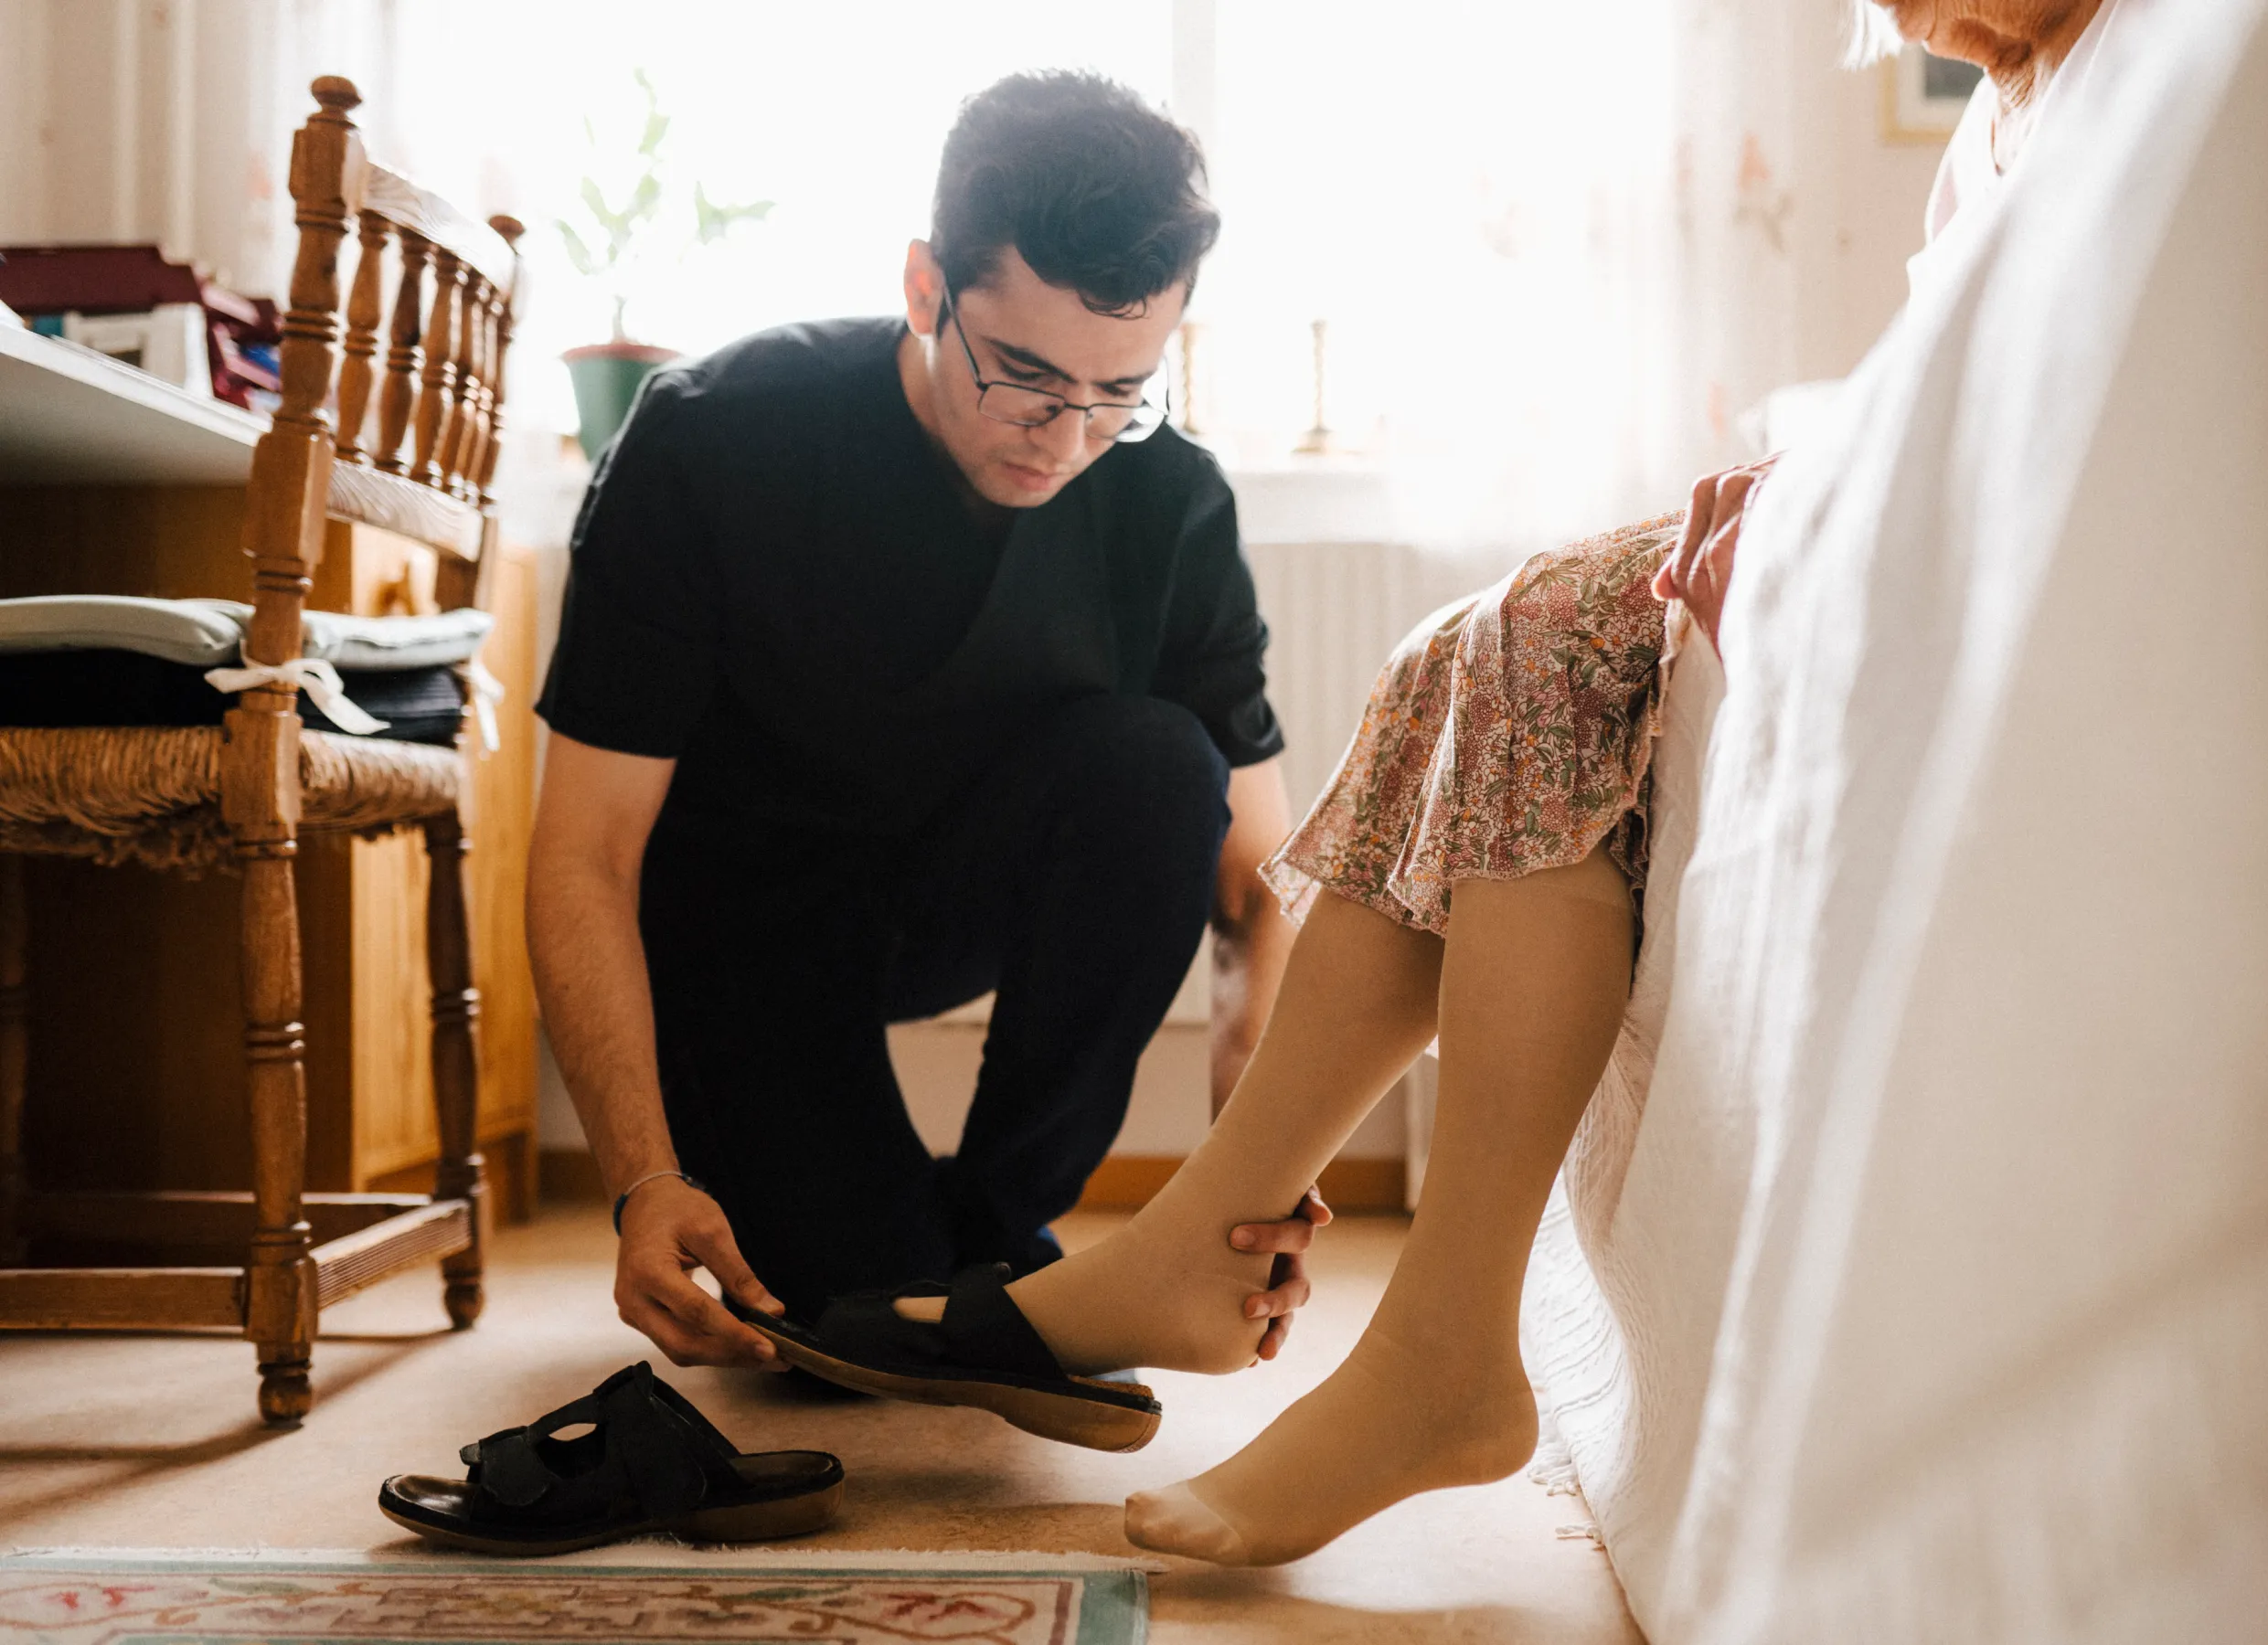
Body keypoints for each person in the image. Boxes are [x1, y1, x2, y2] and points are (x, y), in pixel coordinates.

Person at [854, 0, 2122, 1567]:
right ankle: (1233, 1251)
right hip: (1915, 515)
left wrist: (1819, 498)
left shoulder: (2170, 74)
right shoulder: (2005, 119)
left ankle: (1428, 1342)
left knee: (1533, 634)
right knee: (1478, 643)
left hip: (2016, 547)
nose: (1915, 17)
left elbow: (2069, 419)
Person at [527, 72, 1324, 1374]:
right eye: (1024, 379)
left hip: (954, 889)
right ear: (922, 291)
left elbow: (1258, 885)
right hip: (741, 926)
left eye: (1120, 390)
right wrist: (639, 1182)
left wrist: (1256, 1185)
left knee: (1163, 766)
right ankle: (928, 1268)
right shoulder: (709, 442)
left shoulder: (1166, 498)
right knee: (842, 1328)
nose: (1067, 437)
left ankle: (1004, 1235)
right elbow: (584, 855)